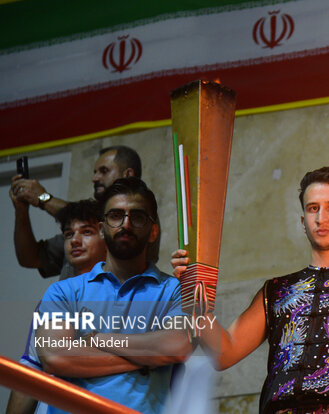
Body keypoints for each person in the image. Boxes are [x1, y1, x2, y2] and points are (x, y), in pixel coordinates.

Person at [172, 166, 329, 413]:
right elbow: (224, 353)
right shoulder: (277, 290)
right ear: (302, 221)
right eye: (313, 208)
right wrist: (191, 291)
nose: (321, 218)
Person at [35, 178, 192, 414]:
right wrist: (147, 357)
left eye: (137, 217)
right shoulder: (63, 291)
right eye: (115, 216)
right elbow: (55, 357)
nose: (125, 225)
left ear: (153, 232)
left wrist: (100, 339)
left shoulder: (174, 290)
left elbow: (175, 346)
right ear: (101, 228)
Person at [6, 199, 107, 414]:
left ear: (106, 236)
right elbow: (32, 370)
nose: (75, 241)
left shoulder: (131, 293)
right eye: (69, 234)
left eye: (86, 232)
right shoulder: (55, 297)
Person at [9, 145, 158, 280]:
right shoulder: (76, 237)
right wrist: (21, 212)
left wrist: (43, 198)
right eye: (70, 233)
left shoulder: (142, 217)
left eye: (103, 171)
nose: (95, 178)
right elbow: (30, 258)